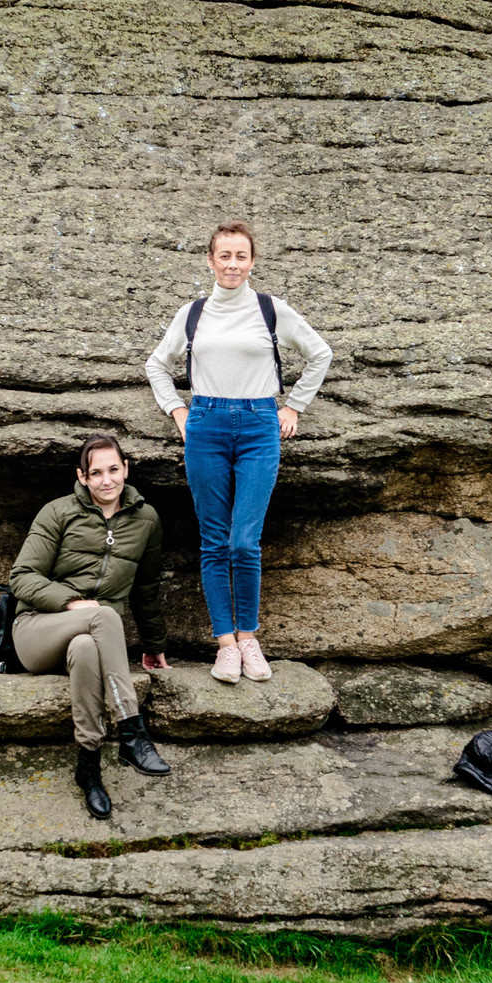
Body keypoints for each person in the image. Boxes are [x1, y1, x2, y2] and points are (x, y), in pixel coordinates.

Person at [144, 221, 334, 685]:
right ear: (211, 261)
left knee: (244, 541)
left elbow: (320, 354)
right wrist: (178, 411)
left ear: (252, 262)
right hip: (206, 423)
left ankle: (249, 637)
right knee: (214, 541)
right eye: (224, 256)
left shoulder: (271, 310)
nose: (232, 264)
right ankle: (225, 644)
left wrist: (294, 406)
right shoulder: (192, 314)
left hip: (258, 425)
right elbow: (157, 364)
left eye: (240, 256)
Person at [9, 434, 171, 819]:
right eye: (96, 473)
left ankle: (89, 765)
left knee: (84, 646)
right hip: (37, 631)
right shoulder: (58, 512)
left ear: (126, 469)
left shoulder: (146, 520)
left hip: (91, 641)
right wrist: (71, 602)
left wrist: (154, 644)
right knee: (104, 615)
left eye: (113, 469)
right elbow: (22, 577)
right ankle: (131, 730)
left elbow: (146, 588)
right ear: (82, 476)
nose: (106, 480)